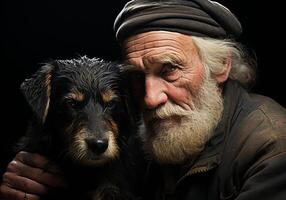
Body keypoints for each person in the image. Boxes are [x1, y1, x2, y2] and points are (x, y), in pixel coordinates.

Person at [1, 0, 286, 199]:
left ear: (221, 66)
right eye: (137, 77)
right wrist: (30, 182)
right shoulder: (149, 135)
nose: (149, 99)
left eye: (169, 70)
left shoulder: (273, 148)